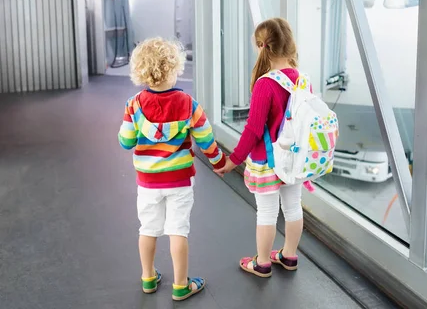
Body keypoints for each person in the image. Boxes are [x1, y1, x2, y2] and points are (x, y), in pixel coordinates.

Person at [118, 37, 226, 300]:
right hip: (179, 180)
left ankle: (148, 278)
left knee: (147, 229)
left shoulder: (133, 105)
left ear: (141, 69)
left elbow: (126, 141)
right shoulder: (188, 104)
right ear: (175, 67)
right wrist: (220, 163)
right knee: (178, 229)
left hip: (148, 182)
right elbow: (207, 141)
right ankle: (180, 285)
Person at [216, 17, 310, 277]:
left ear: (261, 46)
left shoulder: (265, 84)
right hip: (294, 159)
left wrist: (232, 160)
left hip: (267, 161)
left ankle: (263, 263)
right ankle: (289, 255)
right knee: (293, 207)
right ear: (289, 43)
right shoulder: (302, 79)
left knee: (267, 213)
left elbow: (254, 129)